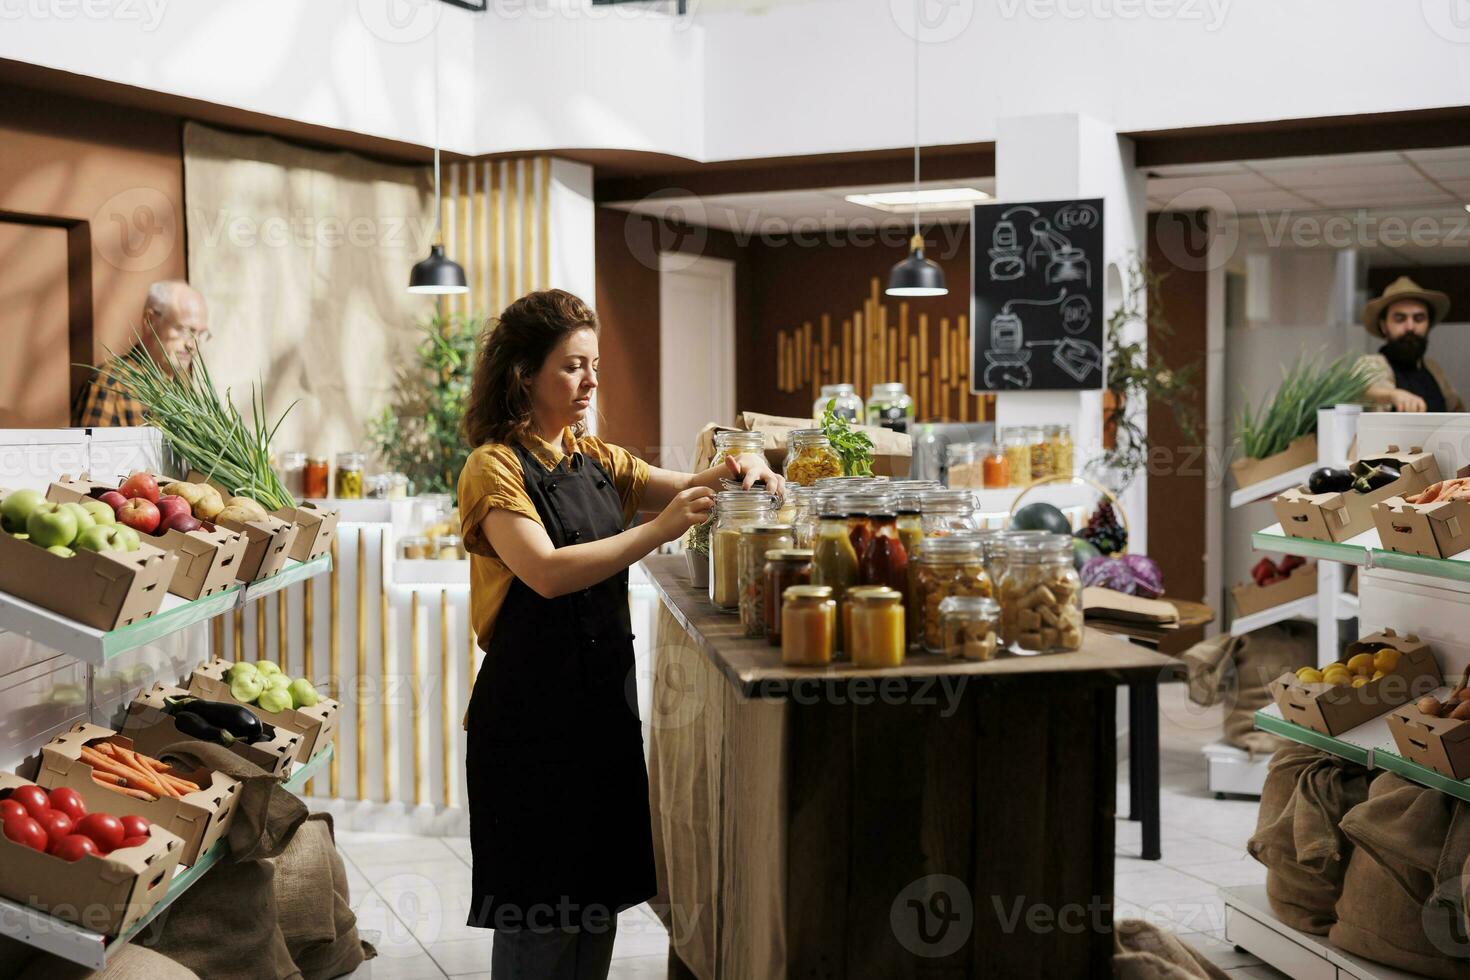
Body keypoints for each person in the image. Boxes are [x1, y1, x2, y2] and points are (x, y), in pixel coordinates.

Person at [456, 289, 784, 978]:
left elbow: (690, 483)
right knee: (542, 916)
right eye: (573, 366)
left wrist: (740, 466)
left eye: (594, 364)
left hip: (601, 712)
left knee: (595, 906)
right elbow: (544, 572)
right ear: (524, 374)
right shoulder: (493, 467)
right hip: (529, 726)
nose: (591, 381)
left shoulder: (595, 457)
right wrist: (656, 533)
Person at [71, 280, 211, 427]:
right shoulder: (111, 384)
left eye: (200, 334)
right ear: (149, 321)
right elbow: (93, 450)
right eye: (183, 330)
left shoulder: (185, 387)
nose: (192, 345)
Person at [1357, 275, 1463, 413]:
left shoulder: (1434, 370)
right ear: (1384, 326)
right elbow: (1361, 391)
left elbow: (1456, 407)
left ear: (1428, 324)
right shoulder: (1372, 364)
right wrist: (1392, 395)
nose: (1410, 327)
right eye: (1400, 319)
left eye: (1418, 318)